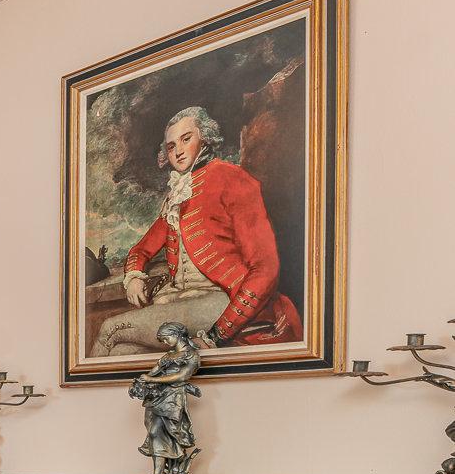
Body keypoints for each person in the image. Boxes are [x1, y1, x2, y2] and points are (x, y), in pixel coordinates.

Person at [91, 107, 302, 357]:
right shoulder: (178, 194)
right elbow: (142, 248)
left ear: (205, 138)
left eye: (186, 139)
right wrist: (134, 275)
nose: (178, 151)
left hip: (222, 302)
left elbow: (266, 269)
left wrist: (218, 333)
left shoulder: (232, 178)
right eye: (170, 146)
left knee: (109, 328)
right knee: (121, 351)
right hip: (179, 301)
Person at [131, 323, 202, 474]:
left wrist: (152, 380)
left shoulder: (191, 355)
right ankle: (159, 472)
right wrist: (140, 382)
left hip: (174, 397)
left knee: (161, 431)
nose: (164, 342)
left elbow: (182, 376)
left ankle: (161, 472)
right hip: (157, 397)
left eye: (166, 338)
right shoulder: (167, 356)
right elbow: (152, 372)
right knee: (153, 431)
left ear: (177, 334)